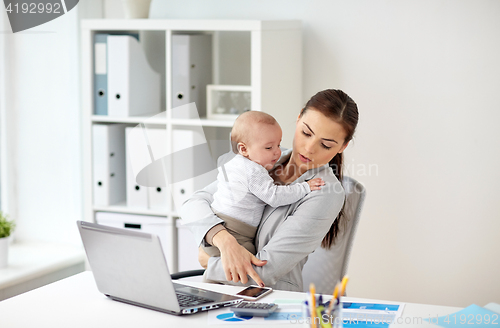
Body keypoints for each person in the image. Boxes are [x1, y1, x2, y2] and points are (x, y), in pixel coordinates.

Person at [180, 89, 359, 291]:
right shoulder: (263, 156)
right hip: (224, 289)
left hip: (268, 298)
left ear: (342, 147)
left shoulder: (326, 193)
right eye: (306, 133)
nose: (309, 148)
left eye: (325, 145)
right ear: (299, 118)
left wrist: (208, 262)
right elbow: (193, 203)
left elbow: (265, 271)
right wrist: (223, 239)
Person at [204, 111, 325, 257]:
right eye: (269, 148)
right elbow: (274, 196)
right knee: (251, 263)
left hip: (215, 227)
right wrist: (305, 187)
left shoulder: (233, 163)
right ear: (244, 149)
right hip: (236, 233)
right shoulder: (254, 171)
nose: (277, 152)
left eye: (278, 145)